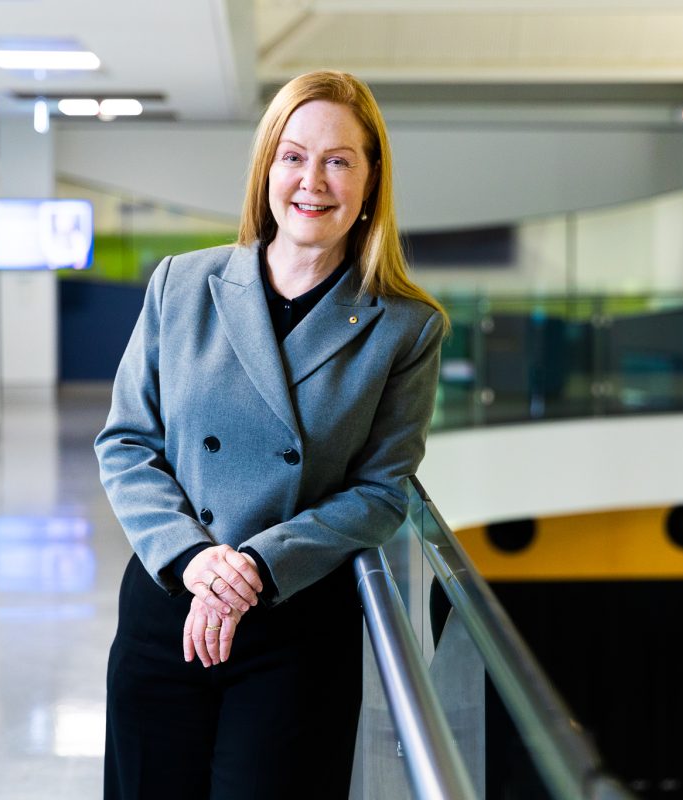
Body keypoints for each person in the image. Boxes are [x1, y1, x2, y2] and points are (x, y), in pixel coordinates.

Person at [95, 70, 447, 799]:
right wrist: (197, 563)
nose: (312, 181)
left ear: (370, 181)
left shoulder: (406, 326)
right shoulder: (180, 284)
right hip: (170, 600)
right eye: (293, 156)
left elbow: (381, 493)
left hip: (294, 620)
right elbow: (126, 443)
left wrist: (253, 567)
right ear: (266, 171)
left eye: (339, 159)